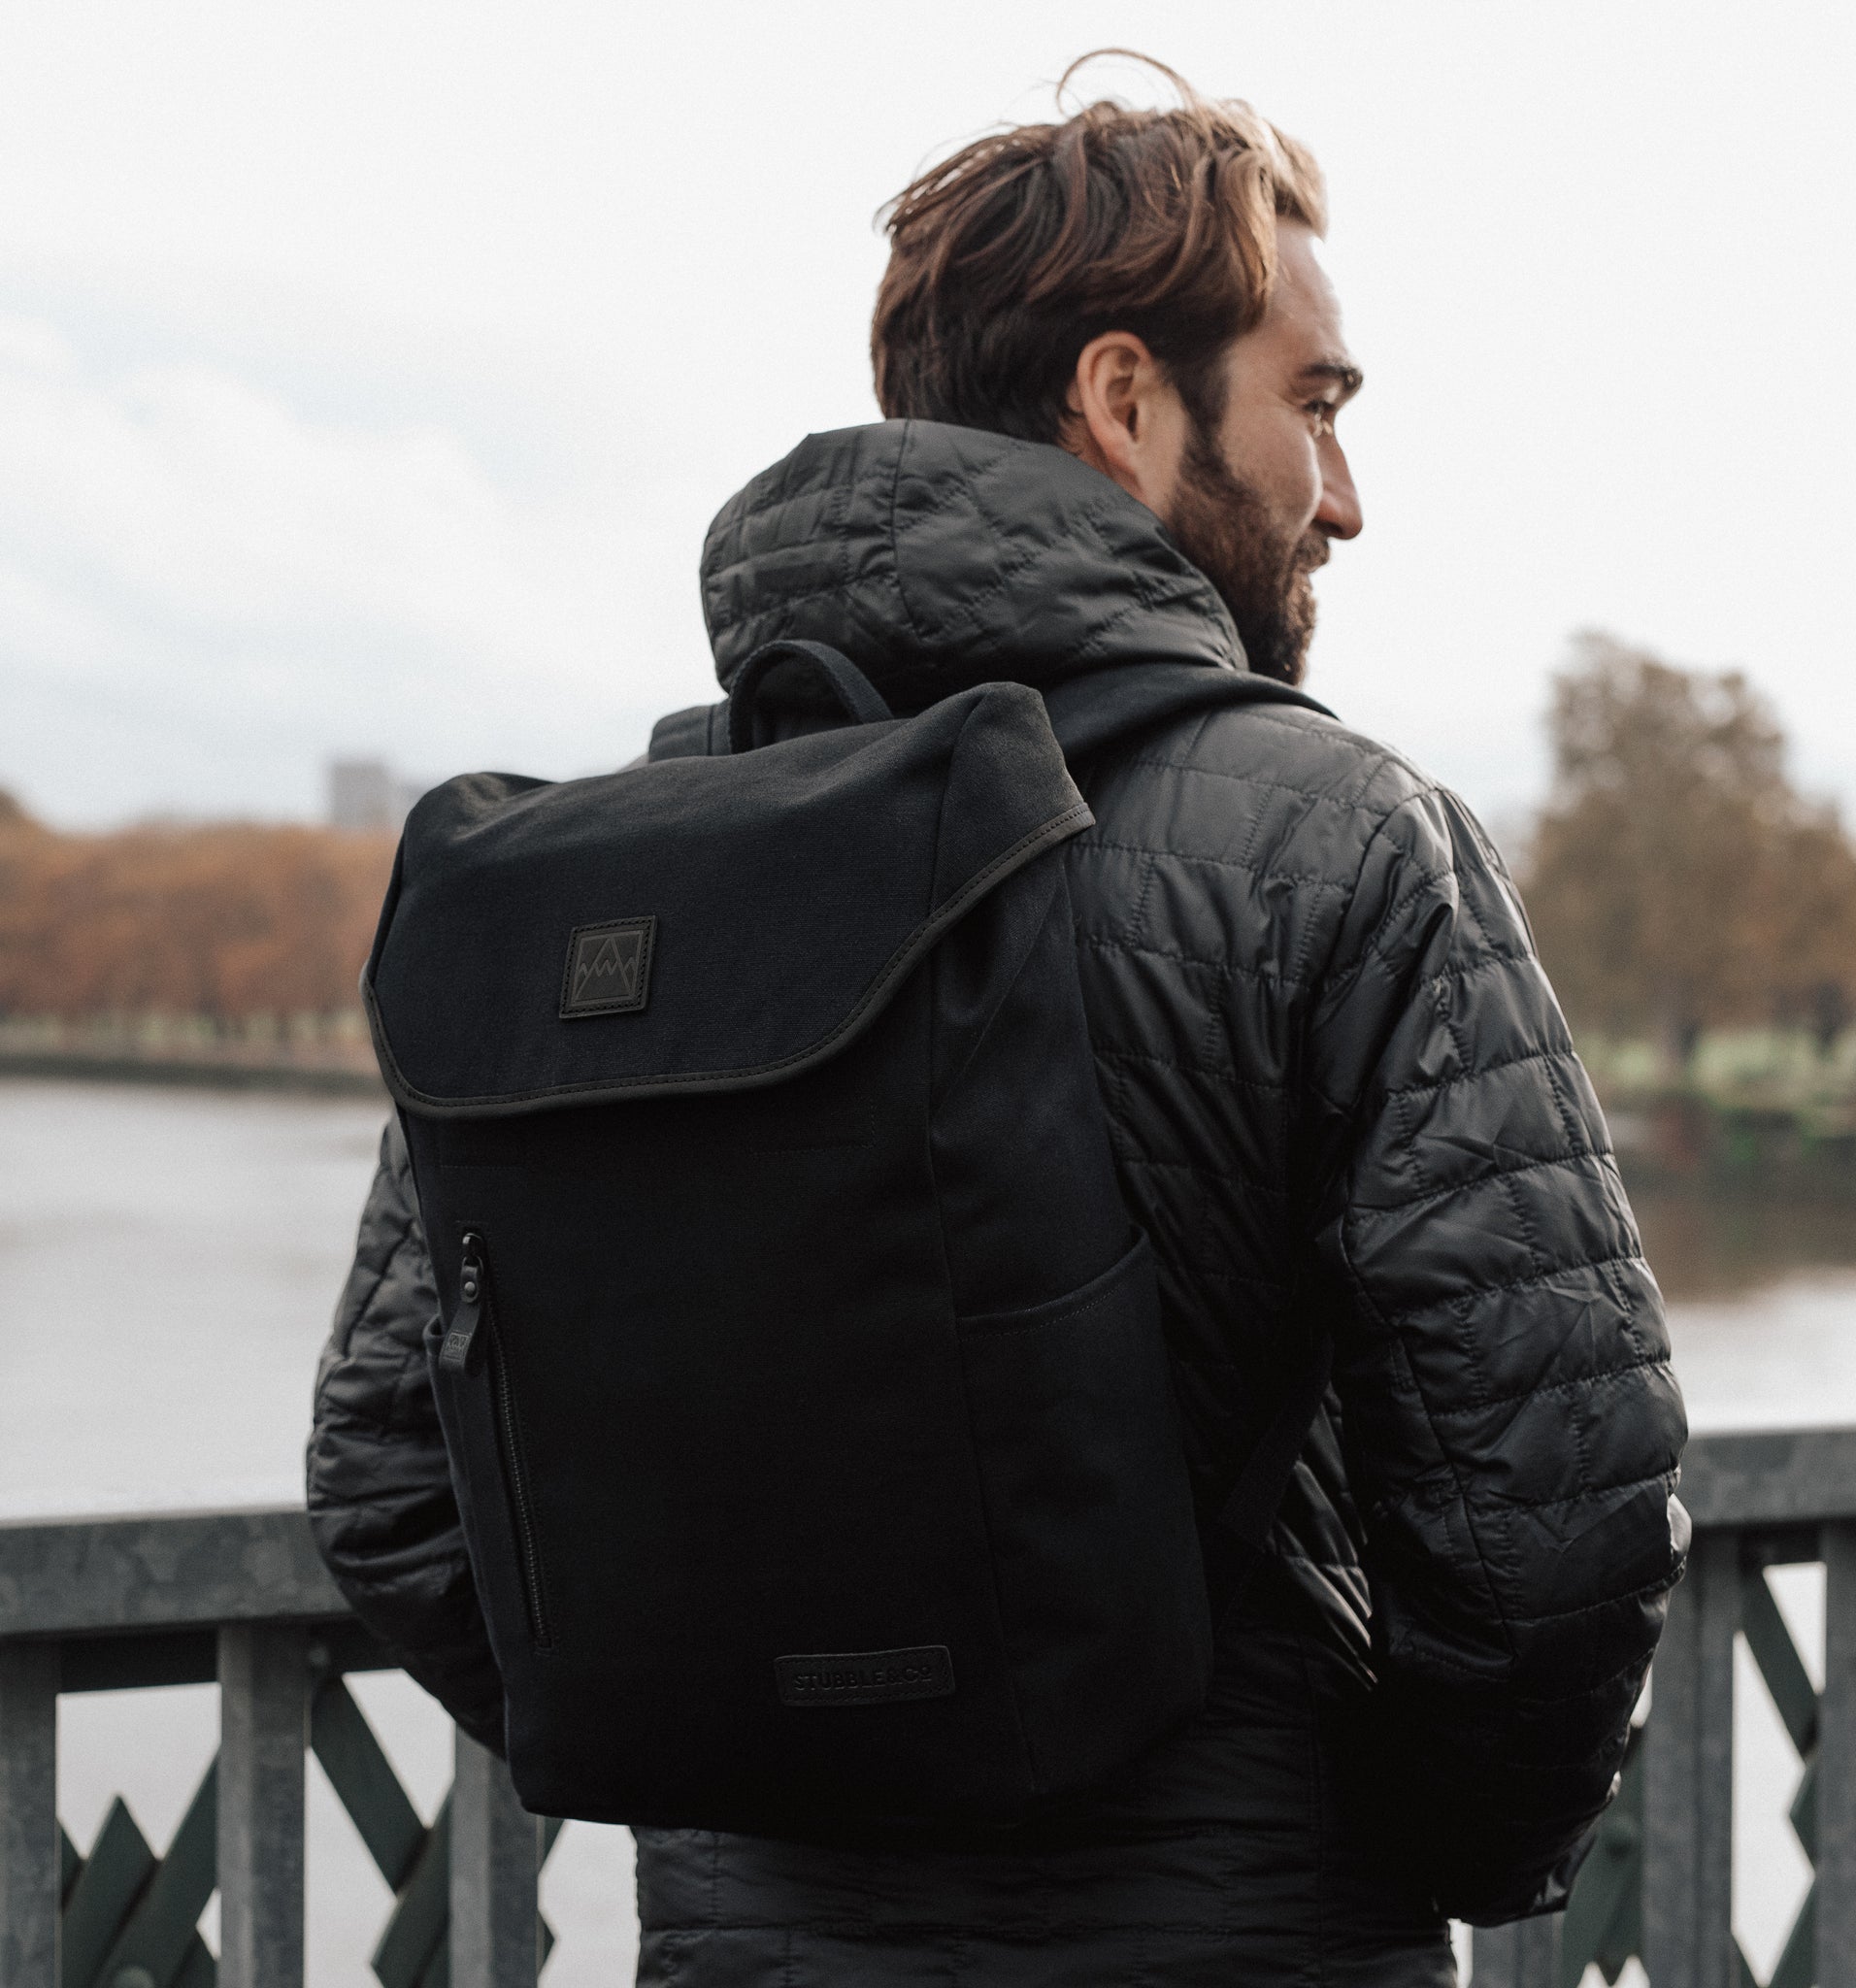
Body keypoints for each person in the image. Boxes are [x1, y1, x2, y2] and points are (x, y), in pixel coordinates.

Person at [310, 54, 1688, 1987]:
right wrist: (1370, 1849)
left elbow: (392, 1480)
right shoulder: (1340, 845)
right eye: (1314, 404)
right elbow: (1553, 1515)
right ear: (1125, 404)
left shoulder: (613, 880)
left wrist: (735, 1749)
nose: (1347, 498)